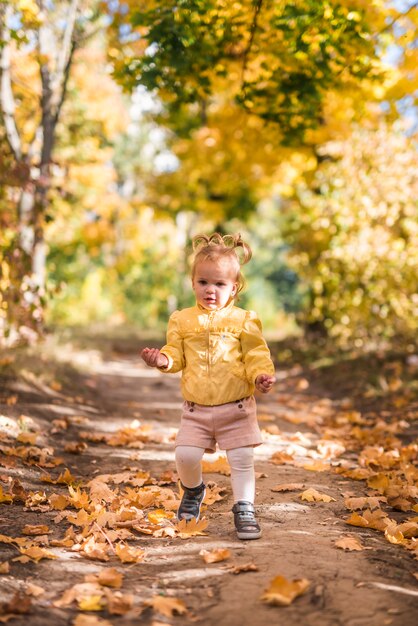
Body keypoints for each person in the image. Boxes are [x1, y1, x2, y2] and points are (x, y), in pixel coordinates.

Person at [140, 233, 276, 540]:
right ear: (192, 283)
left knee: (241, 458)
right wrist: (162, 360)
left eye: (219, 284)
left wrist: (260, 376)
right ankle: (193, 490)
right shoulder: (182, 320)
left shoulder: (244, 321)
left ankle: (244, 507)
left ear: (234, 288)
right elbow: (175, 354)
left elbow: (256, 353)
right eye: (203, 282)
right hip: (196, 409)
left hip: (237, 407)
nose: (210, 290)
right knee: (186, 456)